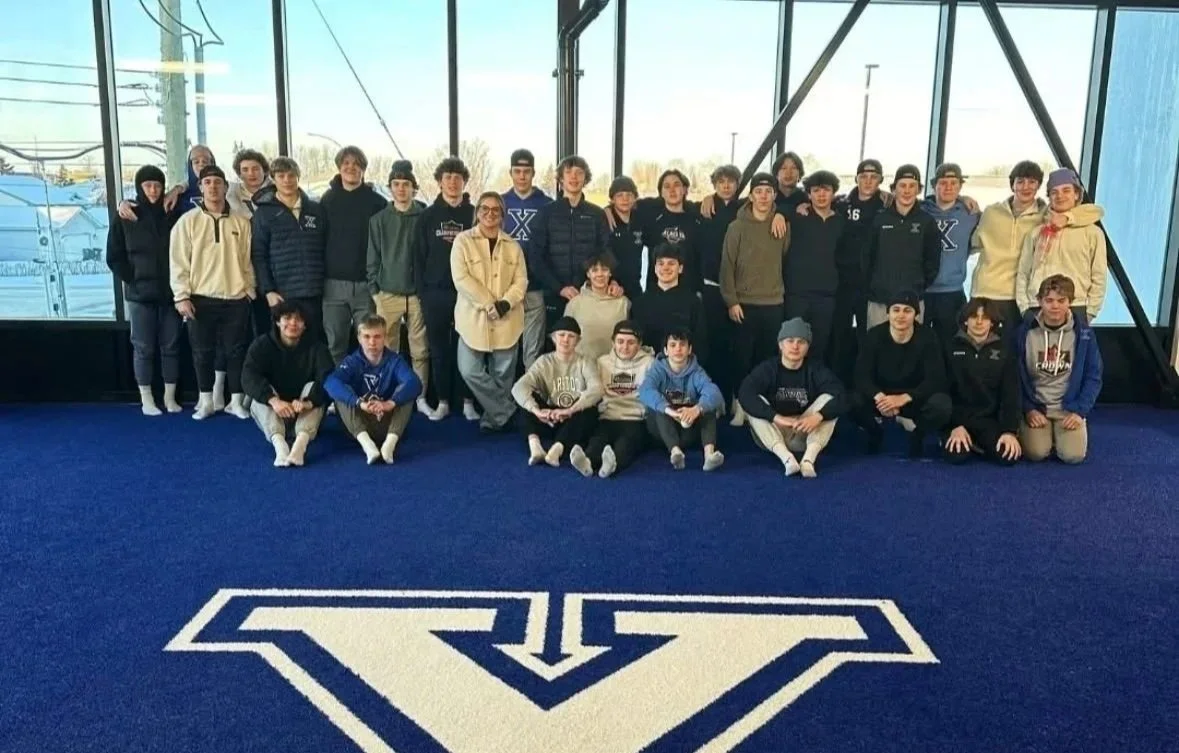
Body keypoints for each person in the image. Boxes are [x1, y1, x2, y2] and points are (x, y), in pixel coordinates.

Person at [169, 165, 255, 420]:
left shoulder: (241, 223)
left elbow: (247, 259)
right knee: (202, 352)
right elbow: (178, 262)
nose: (213, 186)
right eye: (208, 182)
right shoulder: (188, 222)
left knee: (236, 352)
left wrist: (249, 289)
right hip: (200, 298)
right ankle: (206, 401)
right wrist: (181, 296)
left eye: (218, 182)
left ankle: (236, 402)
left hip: (236, 298)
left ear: (226, 188)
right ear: (200, 187)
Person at [106, 164, 184, 416]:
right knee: (143, 348)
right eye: (148, 185)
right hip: (139, 296)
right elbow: (113, 256)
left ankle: (169, 398)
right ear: (139, 188)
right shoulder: (126, 214)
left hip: (171, 294)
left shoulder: (172, 212)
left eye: (157, 185)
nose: (153, 190)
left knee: (171, 346)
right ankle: (147, 400)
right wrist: (134, 279)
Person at [453, 191, 529, 434]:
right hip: (472, 318)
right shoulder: (462, 241)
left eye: (495, 210)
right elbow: (461, 279)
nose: (490, 213)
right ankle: (508, 410)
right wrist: (489, 303)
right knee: (469, 369)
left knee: (503, 375)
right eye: (484, 209)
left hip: (508, 318)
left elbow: (521, 281)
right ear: (477, 213)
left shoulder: (513, 246)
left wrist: (504, 304)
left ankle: (495, 419)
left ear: (502, 215)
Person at [720, 172, 790, 425]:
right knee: (741, 358)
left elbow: (784, 257)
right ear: (750, 196)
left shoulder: (782, 225)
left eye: (768, 192)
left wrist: (781, 215)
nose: (763, 196)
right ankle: (740, 404)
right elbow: (726, 266)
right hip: (744, 304)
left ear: (774, 196)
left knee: (766, 359)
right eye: (758, 191)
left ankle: (760, 406)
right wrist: (732, 301)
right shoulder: (736, 227)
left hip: (773, 303)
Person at [414, 157, 479, 421]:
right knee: (439, 349)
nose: (453, 182)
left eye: (458, 178)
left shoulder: (475, 214)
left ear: (464, 182)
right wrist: (423, 293)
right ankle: (441, 401)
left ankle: (467, 402)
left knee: (469, 349)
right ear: (439, 182)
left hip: (468, 294)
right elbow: (418, 257)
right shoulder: (427, 217)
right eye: (448, 177)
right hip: (435, 294)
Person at [738, 318, 846, 477]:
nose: (795, 346)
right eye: (790, 341)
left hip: (805, 432)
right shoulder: (768, 368)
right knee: (753, 404)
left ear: (807, 347)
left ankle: (808, 460)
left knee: (829, 400)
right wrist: (777, 418)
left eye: (801, 341)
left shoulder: (815, 369)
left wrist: (818, 416)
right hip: (774, 434)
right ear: (780, 345)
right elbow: (745, 393)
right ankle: (787, 459)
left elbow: (842, 396)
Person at [851, 290, 952, 456]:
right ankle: (875, 432)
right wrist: (880, 397)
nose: (901, 315)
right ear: (888, 313)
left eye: (907, 310)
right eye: (896, 309)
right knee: (852, 400)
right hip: (882, 399)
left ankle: (917, 435)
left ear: (916, 315)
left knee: (942, 405)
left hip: (912, 399)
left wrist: (904, 398)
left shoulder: (928, 337)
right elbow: (861, 376)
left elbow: (936, 379)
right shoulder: (874, 335)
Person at [1015, 275, 1102, 464]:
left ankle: (1063, 434)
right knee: (1036, 454)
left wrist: (1080, 411)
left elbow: (1093, 376)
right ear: (1039, 301)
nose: (1055, 306)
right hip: (1038, 408)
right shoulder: (1025, 332)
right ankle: (1034, 431)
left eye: (1061, 301)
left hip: (1068, 410)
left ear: (1070, 302)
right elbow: (1015, 376)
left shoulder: (1084, 334)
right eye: (1049, 300)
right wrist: (1028, 409)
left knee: (1073, 456)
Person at [367, 160, 431, 417]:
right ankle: (390, 397)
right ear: (390, 188)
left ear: (414, 188)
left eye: (406, 185)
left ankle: (420, 397)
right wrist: (375, 291)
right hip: (388, 293)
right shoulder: (379, 220)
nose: (401, 189)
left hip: (416, 295)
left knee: (420, 349)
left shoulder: (424, 216)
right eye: (396, 185)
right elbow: (373, 256)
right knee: (387, 349)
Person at [529, 155, 616, 338]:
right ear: (561, 179)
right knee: (553, 347)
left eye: (579, 172)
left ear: (586, 178)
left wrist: (594, 283)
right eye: (568, 172)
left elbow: (605, 252)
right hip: (553, 293)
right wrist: (559, 288)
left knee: (584, 342)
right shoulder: (546, 213)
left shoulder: (596, 214)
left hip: (586, 293)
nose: (574, 177)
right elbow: (535, 257)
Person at [241, 301, 334, 467]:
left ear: (305, 325)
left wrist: (308, 402)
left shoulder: (318, 348)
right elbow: (248, 376)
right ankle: (280, 446)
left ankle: (300, 447)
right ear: (277, 322)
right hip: (274, 412)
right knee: (260, 393)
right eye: (287, 318)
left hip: (304, 413)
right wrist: (274, 401)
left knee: (315, 387)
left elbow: (329, 380)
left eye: (299, 319)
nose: (293, 323)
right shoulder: (262, 345)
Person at [320, 145, 389, 364]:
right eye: (346, 163)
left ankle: (367, 391)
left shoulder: (377, 202)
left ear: (363, 169)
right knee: (335, 343)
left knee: (370, 343)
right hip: (333, 285)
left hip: (365, 286)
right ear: (339, 168)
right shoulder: (327, 201)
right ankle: (337, 394)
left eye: (356, 164)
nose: (351, 167)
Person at [324, 314, 423, 464]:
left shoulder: (394, 360)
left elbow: (415, 383)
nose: (372, 342)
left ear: (384, 337)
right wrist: (359, 403)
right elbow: (330, 383)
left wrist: (390, 403)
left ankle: (389, 446)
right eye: (367, 336)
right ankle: (368, 446)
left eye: (377, 337)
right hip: (361, 421)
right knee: (341, 393)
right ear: (359, 338)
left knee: (406, 393)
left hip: (387, 420)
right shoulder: (352, 361)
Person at [1016, 168, 1107, 324]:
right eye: (1054, 192)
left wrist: (1091, 311)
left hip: (1076, 306)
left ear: (1077, 194)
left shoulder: (1092, 233)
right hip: (1037, 305)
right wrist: (1025, 308)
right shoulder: (1037, 232)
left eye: (1066, 190)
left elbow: (1099, 275)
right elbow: (1023, 272)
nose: (1060, 196)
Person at [250, 156, 327, 340]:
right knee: (285, 345)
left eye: (291, 175)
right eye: (281, 176)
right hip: (282, 293)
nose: (287, 180)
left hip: (315, 292)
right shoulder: (264, 213)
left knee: (314, 344)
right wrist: (268, 290)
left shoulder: (315, 210)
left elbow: (326, 247)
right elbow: (259, 255)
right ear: (273, 179)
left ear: (298, 177)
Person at [511, 317, 603, 467]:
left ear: (578, 341)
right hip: (548, 417)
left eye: (571, 336)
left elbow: (597, 389)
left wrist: (570, 410)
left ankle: (557, 449)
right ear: (553, 338)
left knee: (590, 410)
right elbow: (519, 387)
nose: (565, 340)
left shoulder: (585, 361)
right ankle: (535, 446)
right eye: (561, 335)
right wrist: (537, 411)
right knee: (524, 403)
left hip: (572, 416)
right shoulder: (544, 361)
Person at [970, 161, 1047, 336]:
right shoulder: (991, 212)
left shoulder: (1045, 215)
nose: (1025, 187)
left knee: (1015, 351)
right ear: (1012, 185)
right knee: (983, 348)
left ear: (1039, 186)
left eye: (1032, 182)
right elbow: (975, 243)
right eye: (1020, 181)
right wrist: (962, 198)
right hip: (985, 291)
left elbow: (1092, 212)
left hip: (1020, 297)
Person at [830, 158, 889, 384]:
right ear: (856, 178)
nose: (868, 181)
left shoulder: (887, 206)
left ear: (880, 181)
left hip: (872, 286)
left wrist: (964, 198)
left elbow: (918, 202)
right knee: (839, 337)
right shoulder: (841, 204)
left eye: (873, 177)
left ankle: (866, 386)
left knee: (869, 339)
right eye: (863, 176)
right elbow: (814, 202)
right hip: (842, 284)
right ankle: (835, 386)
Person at [943, 297, 1023, 465]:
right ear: (965, 320)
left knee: (1007, 457)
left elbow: (1011, 393)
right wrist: (954, 426)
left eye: (985, 318)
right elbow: (943, 392)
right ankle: (964, 441)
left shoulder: (1005, 350)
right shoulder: (949, 347)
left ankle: (979, 444)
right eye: (974, 317)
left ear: (992, 322)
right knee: (956, 456)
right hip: (959, 420)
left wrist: (1009, 431)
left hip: (988, 421)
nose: (979, 322)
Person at [783, 169, 846, 367]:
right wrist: (780, 214)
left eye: (826, 190)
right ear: (808, 194)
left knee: (820, 346)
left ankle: (815, 390)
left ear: (833, 193)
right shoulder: (797, 217)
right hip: (796, 295)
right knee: (792, 345)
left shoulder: (841, 221)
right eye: (815, 190)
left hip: (826, 296)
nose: (821, 194)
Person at [864, 165, 941, 328]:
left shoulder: (927, 222)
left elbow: (933, 261)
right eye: (902, 186)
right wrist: (874, 286)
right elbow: (866, 258)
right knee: (876, 348)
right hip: (879, 300)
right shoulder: (879, 219)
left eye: (912, 186)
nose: (907, 191)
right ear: (893, 189)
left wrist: (917, 287)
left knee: (910, 350)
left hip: (912, 303)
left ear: (919, 190)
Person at [639, 329, 726, 471]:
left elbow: (714, 392)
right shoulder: (658, 369)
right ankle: (675, 453)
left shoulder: (697, 371)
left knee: (708, 409)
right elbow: (645, 391)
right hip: (663, 431)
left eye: (682, 345)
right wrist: (672, 412)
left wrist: (696, 409)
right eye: (673, 345)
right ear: (666, 351)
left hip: (688, 427)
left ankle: (709, 455)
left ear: (689, 349)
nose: (678, 349)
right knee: (659, 409)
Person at [578, 321, 655, 478]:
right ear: (613, 342)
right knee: (597, 441)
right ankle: (587, 463)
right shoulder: (602, 362)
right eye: (620, 342)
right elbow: (594, 391)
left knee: (626, 444)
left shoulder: (649, 363)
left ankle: (613, 465)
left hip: (635, 419)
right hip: (608, 416)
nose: (624, 347)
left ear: (639, 344)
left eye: (630, 343)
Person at [500, 148, 553, 368]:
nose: (522, 176)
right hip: (505, 286)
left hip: (535, 285)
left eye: (527, 171)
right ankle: (504, 399)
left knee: (532, 348)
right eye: (517, 171)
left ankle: (529, 398)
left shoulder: (547, 204)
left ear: (533, 173)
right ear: (511, 173)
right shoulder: (500, 203)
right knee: (505, 347)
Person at [922, 163, 981, 346]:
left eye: (954, 183)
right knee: (918, 345)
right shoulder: (920, 211)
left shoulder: (971, 214)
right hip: (921, 292)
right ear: (934, 185)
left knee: (951, 346)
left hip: (952, 292)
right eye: (943, 182)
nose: (948, 187)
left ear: (960, 186)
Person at [631, 244, 707, 366]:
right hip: (646, 368)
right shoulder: (640, 303)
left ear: (680, 268)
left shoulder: (693, 302)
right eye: (661, 263)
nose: (665, 268)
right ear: (655, 268)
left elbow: (701, 343)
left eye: (671, 263)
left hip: (682, 369)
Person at [637, 169, 705, 295]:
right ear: (661, 193)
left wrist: (700, 291)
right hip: (657, 293)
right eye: (667, 186)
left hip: (688, 293)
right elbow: (625, 207)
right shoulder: (651, 221)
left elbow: (700, 260)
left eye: (677, 185)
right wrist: (608, 209)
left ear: (685, 190)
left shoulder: (696, 221)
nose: (672, 190)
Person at [564, 252, 630, 360]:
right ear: (588, 274)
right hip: (583, 367)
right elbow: (565, 339)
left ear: (610, 273)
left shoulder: (623, 302)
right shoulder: (574, 303)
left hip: (615, 367)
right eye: (594, 270)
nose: (600, 274)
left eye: (604, 269)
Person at [604, 176, 645, 299]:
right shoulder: (605, 220)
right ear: (612, 199)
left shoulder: (640, 219)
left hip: (634, 285)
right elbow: (602, 253)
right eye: (620, 195)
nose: (625, 199)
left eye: (629, 195)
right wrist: (612, 279)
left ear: (635, 198)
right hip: (612, 285)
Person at [226, 148, 272, 219]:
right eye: (245, 170)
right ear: (239, 174)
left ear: (264, 170)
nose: (251, 173)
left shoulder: (276, 190)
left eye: (255, 169)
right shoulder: (232, 193)